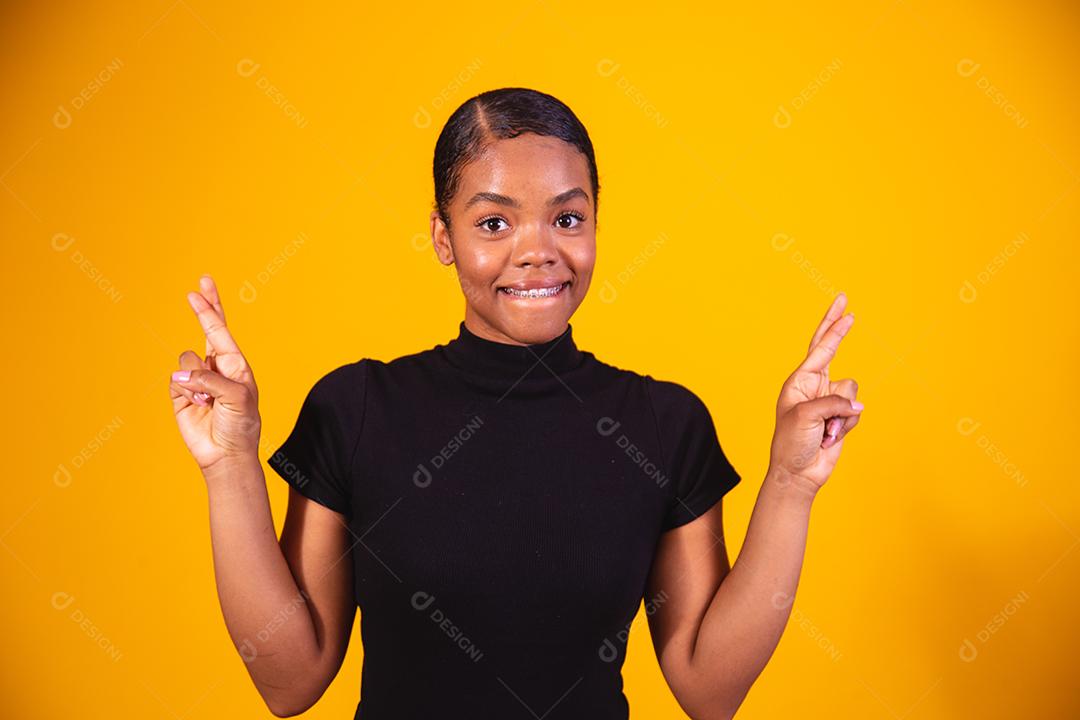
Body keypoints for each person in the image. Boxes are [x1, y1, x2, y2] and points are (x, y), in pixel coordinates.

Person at [169, 87, 863, 719]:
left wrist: (792, 483)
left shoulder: (662, 424)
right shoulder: (355, 410)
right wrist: (229, 463)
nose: (537, 252)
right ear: (443, 237)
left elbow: (709, 690)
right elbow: (290, 681)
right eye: (495, 224)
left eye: (567, 217)